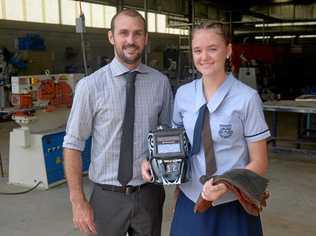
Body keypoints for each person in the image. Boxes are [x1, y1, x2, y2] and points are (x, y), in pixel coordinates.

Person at [141, 21, 270, 236]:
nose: (204, 57)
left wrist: (227, 185)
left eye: (212, 49)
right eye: (197, 50)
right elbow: (176, 147)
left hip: (233, 204)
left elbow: (260, 162)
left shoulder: (247, 98)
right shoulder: (183, 95)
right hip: (192, 200)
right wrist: (153, 161)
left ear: (228, 51)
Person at [63, 9, 173, 236]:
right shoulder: (90, 86)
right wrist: (77, 201)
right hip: (106, 196)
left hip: (149, 194)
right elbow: (73, 143)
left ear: (146, 39)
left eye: (137, 34)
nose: (130, 40)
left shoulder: (160, 83)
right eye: (124, 33)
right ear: (111, 37)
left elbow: (167, 137)